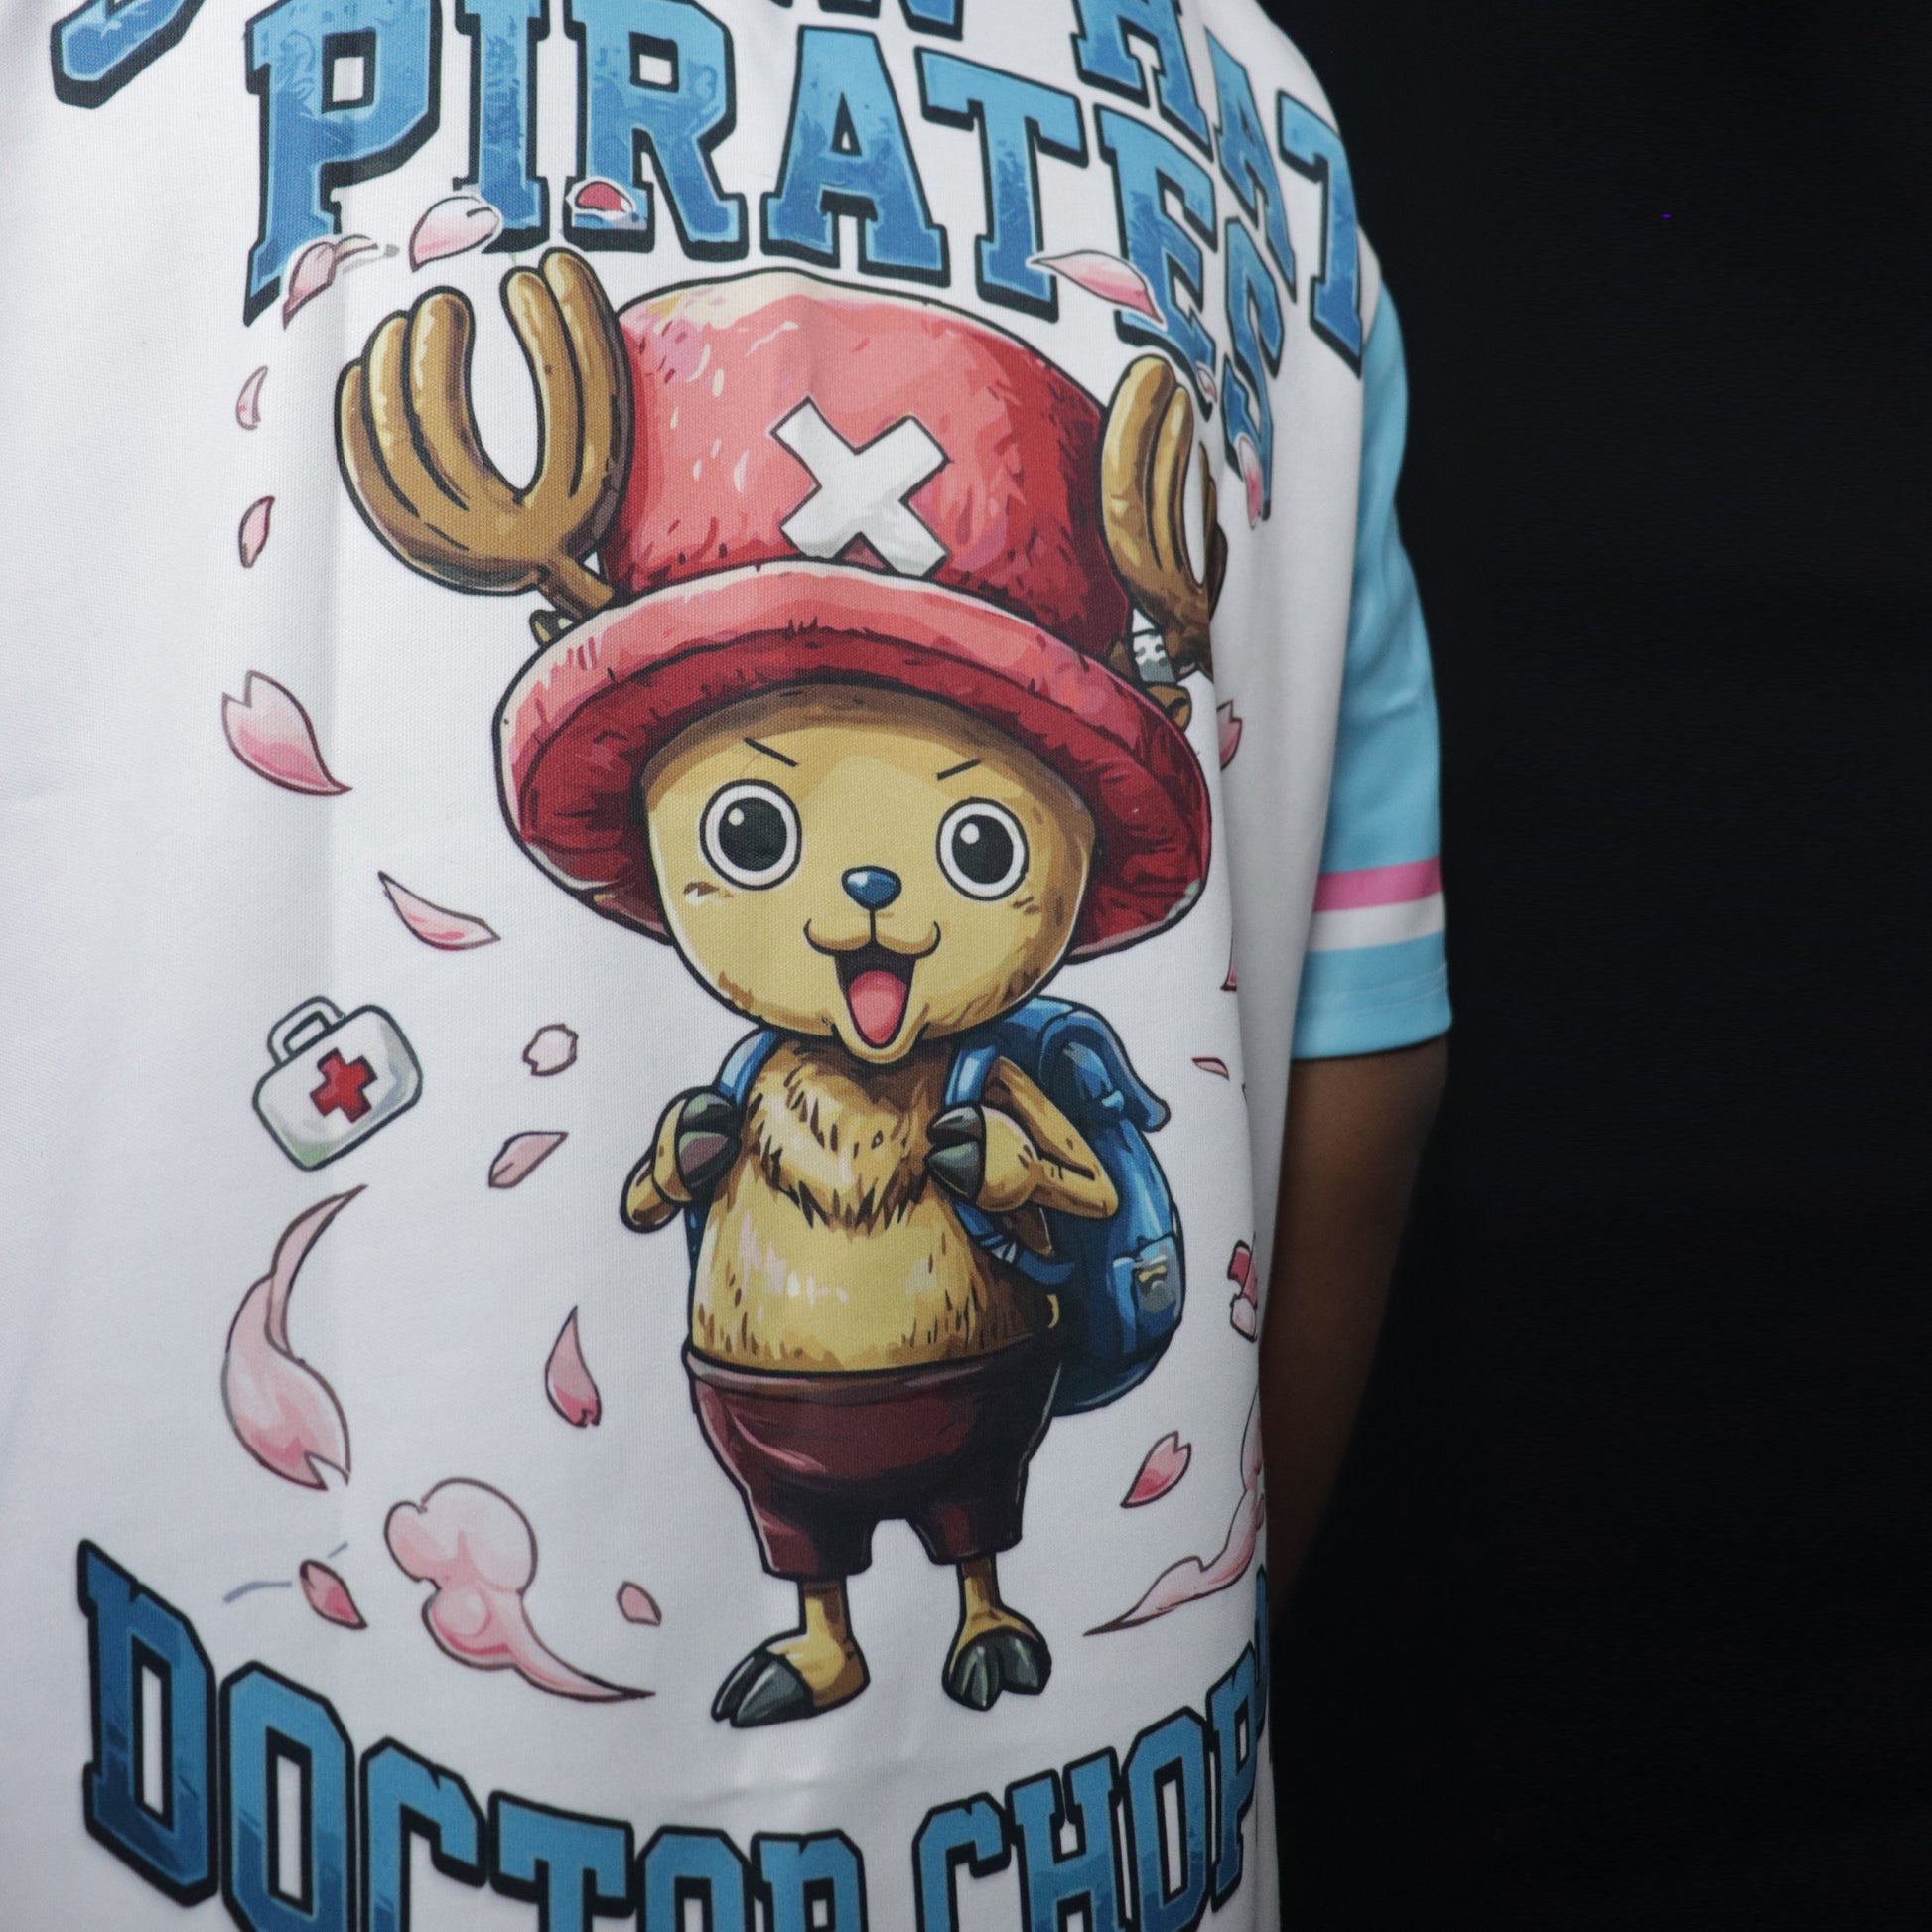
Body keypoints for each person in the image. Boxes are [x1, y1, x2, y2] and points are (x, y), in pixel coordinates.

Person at [0, 0, 1444, 1924]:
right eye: (758, 831)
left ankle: (962, 1596)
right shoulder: (1265, 143)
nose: (870, 901)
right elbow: (1356, 1095)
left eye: (975, 843)